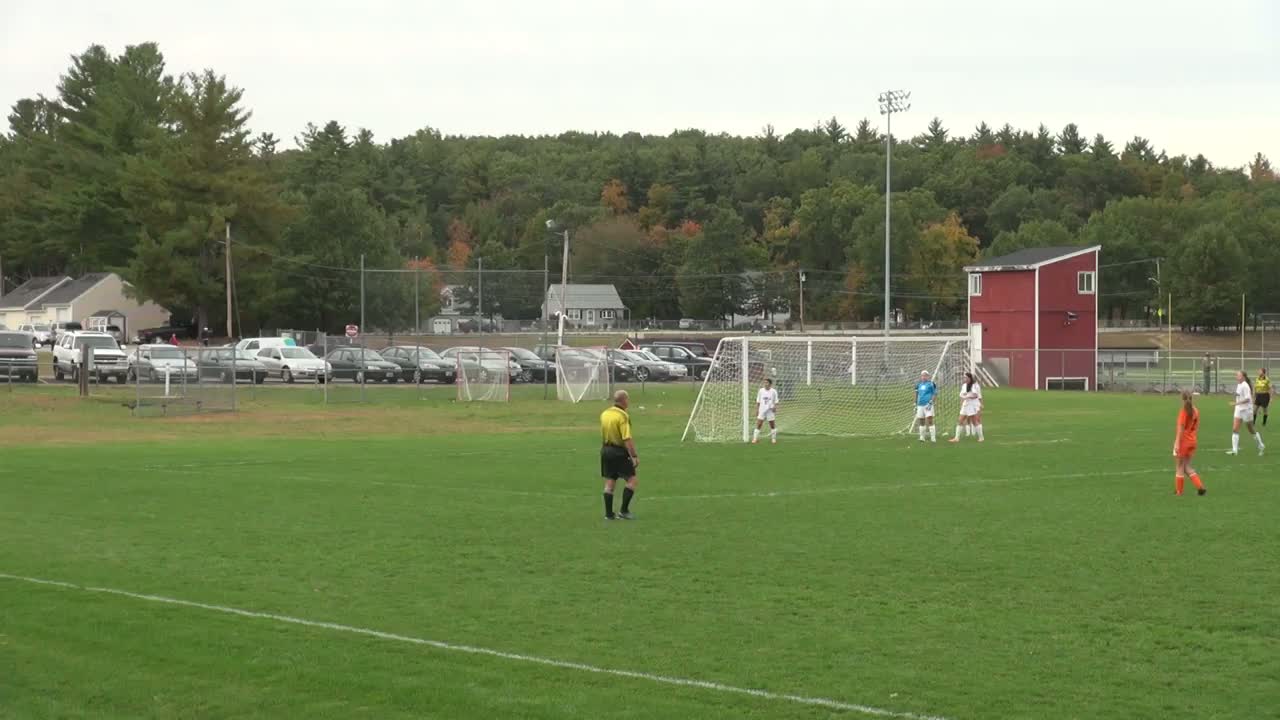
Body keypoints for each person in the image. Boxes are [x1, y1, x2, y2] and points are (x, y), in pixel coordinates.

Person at [599, 389, 640, 520]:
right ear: (623, 400)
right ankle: (624, 511)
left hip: (606, 450)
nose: (628, 402)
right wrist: (633, 455)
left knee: (610, 481)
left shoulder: (605, 413)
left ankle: (609, 514)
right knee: (632, 480)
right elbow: (626, 438)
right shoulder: (622, 416)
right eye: (627, 399)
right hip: (618, 451)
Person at [1173, 390, 1206, 496]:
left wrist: (1177, 443)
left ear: (1182, 399)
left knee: (1179, 466)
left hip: (1184, 441)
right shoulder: (1196, 410)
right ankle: (1200, 487)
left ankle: (1179, 492)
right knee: (1187, 466)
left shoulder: (1184, 411)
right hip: (1192, 440)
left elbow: (1181, 429)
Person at [1228, 370, 1265, 456]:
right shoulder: (1239, 385)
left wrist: (1235, 403)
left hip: (1246, 410)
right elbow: (1239, 396)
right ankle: (1235, 451)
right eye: (1236, 375)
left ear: (1243, 377)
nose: (1237, 377)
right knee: (1235, 429)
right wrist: (1236, 403)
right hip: (1239, 409)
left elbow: (1248, 399)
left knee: (1251, 429)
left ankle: (1261, 445)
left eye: (1238, 375)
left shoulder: (1245, 386)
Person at [949, 371, 984, 443]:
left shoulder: (973, 386)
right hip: (965, 405)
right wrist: (962, 402)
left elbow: (975, 395)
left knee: (974, 422)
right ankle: (956, 438)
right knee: (960, 420)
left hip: (972, 405)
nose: (964, 378)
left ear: (969, 378)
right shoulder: (964, 385)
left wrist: (968, 396)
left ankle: (981, 437)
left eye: (966, 377)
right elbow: (961, 395)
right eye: (964, 377)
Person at [752, 377, 780, 444]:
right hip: (762, 410)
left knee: (772, 425)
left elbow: (776, 401)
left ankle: (773, 439)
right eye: (764, 382)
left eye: (766, 382)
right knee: (759, 424)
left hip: (770, 410)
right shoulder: (761, 391)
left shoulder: (774, 391)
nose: (765, 384)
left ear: (770, 384)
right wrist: (757, 409)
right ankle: (755, 439)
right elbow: (758, 401)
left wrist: (775, 407)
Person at [914, 370, 939, 442]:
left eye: (925, 375)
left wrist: (931, 402)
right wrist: (915, 403)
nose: (923, 377)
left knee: (930, 420)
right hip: (920, 405)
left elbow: (934, 393)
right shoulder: (918, 385)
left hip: (928, 405)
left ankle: (933, 438)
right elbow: (916, 394)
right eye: (922, 375)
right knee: (921, 420)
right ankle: (922, 437)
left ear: (928, 376)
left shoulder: (931, 384)